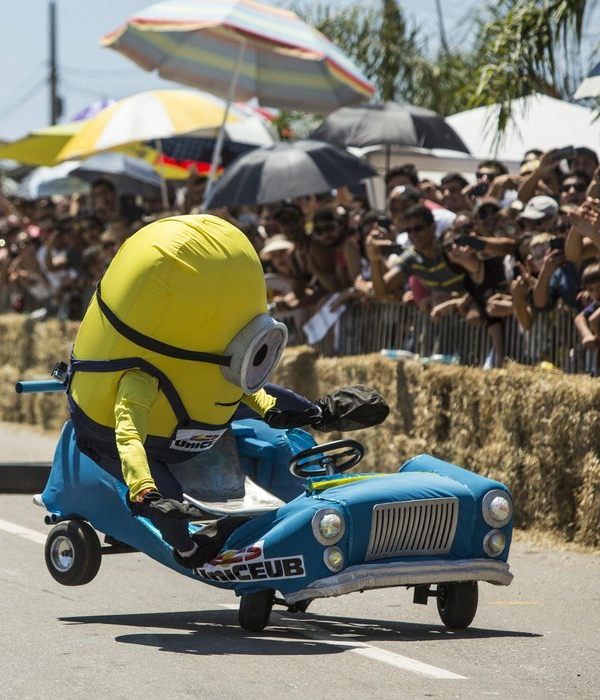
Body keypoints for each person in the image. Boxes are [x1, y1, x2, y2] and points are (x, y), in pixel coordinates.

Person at [63, 214, 384, 569]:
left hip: (191, 414)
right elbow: (129, 437)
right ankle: (187, 549)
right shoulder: (140, 380)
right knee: (162, 481)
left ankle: (317, 436)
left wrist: (312, 413)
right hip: (137, 436)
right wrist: (145, 492)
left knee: (274, 430)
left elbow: (250, 387)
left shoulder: (205, 363)